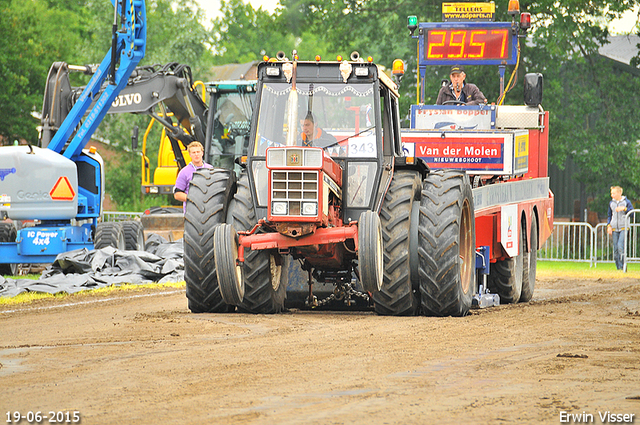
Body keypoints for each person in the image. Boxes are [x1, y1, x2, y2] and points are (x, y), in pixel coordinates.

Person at [173, 141, 213, 212]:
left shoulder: (210, 169)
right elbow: (177, 194)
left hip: (209, 209)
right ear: (190, 154)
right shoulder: (184, 172)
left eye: (198, 152)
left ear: (202, 153)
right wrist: (193, 199)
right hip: (191, 211)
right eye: (193, 153)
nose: (196, 155)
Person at [607, 185, 634, 270]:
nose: (612, 195)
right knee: (615, 249)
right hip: (615, 228)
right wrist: (609, 225)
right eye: (611, 193)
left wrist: (624, 209)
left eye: (614, 193)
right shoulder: (611, 203)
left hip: (623, 227)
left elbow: (632, 213)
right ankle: (618, 267)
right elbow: (609, 215)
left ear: (619, 193)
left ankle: (623, 267)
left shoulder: (626, 202)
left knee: (620, 246)